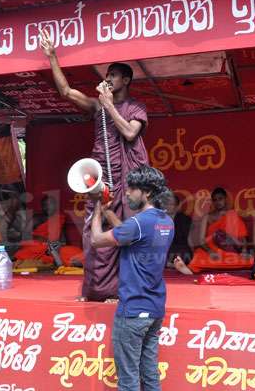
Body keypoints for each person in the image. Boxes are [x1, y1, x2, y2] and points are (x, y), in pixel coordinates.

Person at [40, 29, 149, 301]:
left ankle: (121, 292)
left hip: (125, 181)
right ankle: (94, 290)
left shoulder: (136, 107)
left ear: (126, 79)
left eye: (113, 74)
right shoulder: (97, 107)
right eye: (107, 74)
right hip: (98, 179)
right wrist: (53, 56)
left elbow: (130, 134)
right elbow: (65, 91)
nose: (107, 79)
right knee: (93, 233)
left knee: (123, 232)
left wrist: (110, 106)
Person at [89, 165, 174, 391]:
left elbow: (96, 240)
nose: (126, 193)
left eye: (131, 189)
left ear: (146, 193)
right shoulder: (165, 221)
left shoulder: (140, 223)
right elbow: (129, 235)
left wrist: (97, 208)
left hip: (134, 310)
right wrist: (109, 213)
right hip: (155, 308)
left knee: (128, 381)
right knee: (150, 376)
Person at [174, 187, 251, 275]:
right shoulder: (207, 217)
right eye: (215, 200)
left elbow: (242, 237)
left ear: (225, 199)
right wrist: (211, 252)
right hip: (211, 249)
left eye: (220, 199)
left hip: (230, 250)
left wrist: (244, 251)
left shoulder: (232, 214)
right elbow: (201, 240)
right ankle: (189, 271)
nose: (218, 202)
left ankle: (209, 268)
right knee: (198, 258)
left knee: (249, 260)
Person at [14, 195, 83, 268]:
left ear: (55, 206)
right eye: (44, 205)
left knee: (71, 250)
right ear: (42, 207)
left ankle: (78, 262)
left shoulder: (58, 219)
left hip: (53, 247)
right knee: (35, 248)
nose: (47, 207)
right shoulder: (37, 218)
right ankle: (55, 258)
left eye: (50, 204)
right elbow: (25, 234)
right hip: (38, 245)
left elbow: (62, 238)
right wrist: (43, 240)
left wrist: (60, 244)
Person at [164, 192, 192, 267]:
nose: (168, 206)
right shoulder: (159, 219)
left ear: (177, 206)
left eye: (171, 204)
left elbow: (188, 240)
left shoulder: (185, 219)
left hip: (179, 248)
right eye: (166, 204)